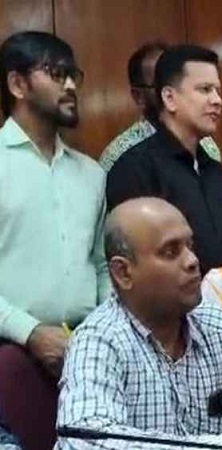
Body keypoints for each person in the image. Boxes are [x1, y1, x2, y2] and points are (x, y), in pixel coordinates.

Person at [56, 198, 222, 449]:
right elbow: (86, 443)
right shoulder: (98, 341)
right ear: (123, 272)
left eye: (190, 246)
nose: (192, 261)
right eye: (170, 252)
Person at [0, 31, 109, 377]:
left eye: (73, 75)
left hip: (87, 350)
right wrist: (30, 332)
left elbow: (102, 264)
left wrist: (105, 328)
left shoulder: (91, 173)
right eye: (56, 73)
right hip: (8, 351)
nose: (71, 86)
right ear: (18, 84)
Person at [106, 44, 222, 275]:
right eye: (205, 90)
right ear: (169, 98)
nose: (217, 100)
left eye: (218, 91)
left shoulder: (218, 173)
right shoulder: (134, 170)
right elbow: (136, 265)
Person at [98, 42, 222, 171]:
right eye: (160, 84)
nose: (170, 93)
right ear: (138, 96)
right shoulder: (118, 155)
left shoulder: (207, 147)